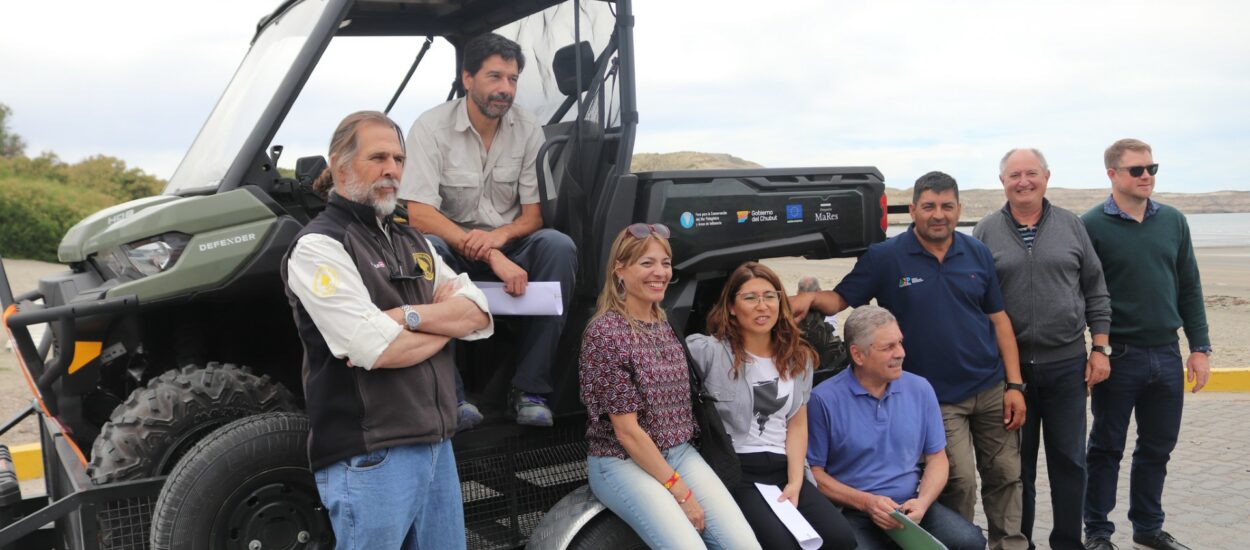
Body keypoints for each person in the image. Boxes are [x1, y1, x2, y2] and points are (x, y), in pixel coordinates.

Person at [282, 111, 493, 548]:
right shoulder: (319, 246)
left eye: (398, 159)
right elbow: (375, 348)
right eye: (378, 157)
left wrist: (407, 318)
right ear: (340, 165)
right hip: (372, 456)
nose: (392, 170)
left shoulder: (412, 241)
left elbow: (478, 312)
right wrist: (444, 324)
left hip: (437, 447)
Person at [791, 171, 1029, 550]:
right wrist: (807, 300)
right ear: (913, 210)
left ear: (958, 209)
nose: (939, 215)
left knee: (1005, 474)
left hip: (989, 384)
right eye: (930, 206)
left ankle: (1010, 545)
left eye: (948, 206)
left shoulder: (977, 252)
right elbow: (840, 300)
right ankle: (940, 541)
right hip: (936, 395)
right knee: (960, 480)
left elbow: (998, 319)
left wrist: (1014, 384)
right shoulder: (886, 257)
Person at [400, 32, 577, 427]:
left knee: (557, 246)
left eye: (512, 80)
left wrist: (497, 241)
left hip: (507, 243)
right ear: (467, 78)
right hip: (448, 245)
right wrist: (490, 255)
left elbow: (533, 216)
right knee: (423, 249)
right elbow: (421, 215)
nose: (505, 89)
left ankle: (530, 390)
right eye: (495, 77)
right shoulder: (430, 128)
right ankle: (453, 395)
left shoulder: (528, 129)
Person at [578, 224, 760, 550]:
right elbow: (628, 433)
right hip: (622, 461)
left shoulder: (664, 321)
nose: (660, 272)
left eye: (665, 263)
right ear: (619, 270)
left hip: (679, 451)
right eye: (647, 263)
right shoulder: (605, 333)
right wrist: (680, 491)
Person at [972, 148, 1112, 550]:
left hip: (1067, 365)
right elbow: (973, 298)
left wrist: (1100, 347)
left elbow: (1096, 290)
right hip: (1010, 374)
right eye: (1014, 175)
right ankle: (1023, 543)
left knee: (1070, 462)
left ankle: (1068, 542)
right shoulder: (985, 231)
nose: (1023, 182)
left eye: (1031, 173)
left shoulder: (1072, 226)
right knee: (1018, 468)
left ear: (1046, 177)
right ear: (1003, 182)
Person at [1080, 139, 1212, 550]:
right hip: (1118, 357)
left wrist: (1200, 347)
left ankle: (1148, 529)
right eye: (1137, 170)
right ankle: (1098, 532)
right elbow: (1083, 293)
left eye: (1152, 168)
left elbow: (1189, 287)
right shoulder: (1090, 225)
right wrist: (1095, 351)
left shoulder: (1173, 221)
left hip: (1167, 354)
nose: (1147, 176)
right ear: (1112, 175)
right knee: (1106, 448)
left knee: (1157, 448)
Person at [686, 262, 858, 549]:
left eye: (770, 296)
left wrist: (794, 482)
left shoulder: (798, 358)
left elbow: (797, 423)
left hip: (783, 468)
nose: (761, 306)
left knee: (840, 539)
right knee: (782, 545)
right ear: (730, 306)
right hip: (740, 471)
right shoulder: (710, 352)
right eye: (750, 298)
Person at [807, 305, 985, 550]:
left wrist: (922, 502)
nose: (900, 353)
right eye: (888, 347)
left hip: (911, 506)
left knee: (970, 542)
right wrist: (866, 502)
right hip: (853, 510)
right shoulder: (822, 399)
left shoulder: (920, 389)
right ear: (858, 355)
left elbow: (938, 459)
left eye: (900, 343)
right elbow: (815, 475)